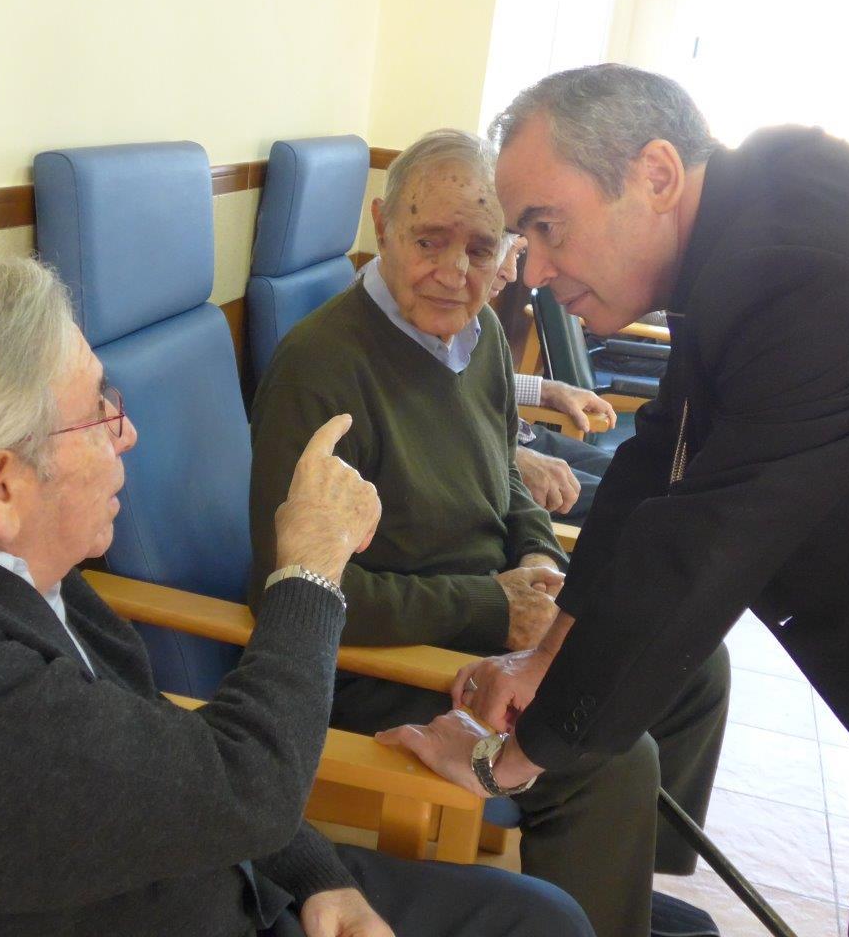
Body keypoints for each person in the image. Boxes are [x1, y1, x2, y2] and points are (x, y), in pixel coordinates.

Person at [0, 256, 594, 937]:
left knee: (541, 919)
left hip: (211, 863)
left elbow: (156, 739)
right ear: (0, 485)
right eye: (98, 409)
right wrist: (312, 568)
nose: (127, 431)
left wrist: (321, 878)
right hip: (184, 874)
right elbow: (242, 787)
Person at [377, 64, 849, 936]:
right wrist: (544, 663)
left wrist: (509, 761)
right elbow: (661, 463)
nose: (529, 269)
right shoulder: (753, 223)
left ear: (653, 174)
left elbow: (701, 555)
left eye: (546, 225)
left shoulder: (800, 272)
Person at [249, 130, 729, 937]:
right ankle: (600, 893)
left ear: (508, 250)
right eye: (427, 240)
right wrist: (491, 612)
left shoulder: (479, 340)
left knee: (694, 665)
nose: (453, 271)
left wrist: (540, 555)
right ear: (381, 224)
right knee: (611, 757)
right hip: (380, 662)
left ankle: (620, 885)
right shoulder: (320, 366)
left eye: (480, 247)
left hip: (485, 625)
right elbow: (293, 589)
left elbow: (503, 476)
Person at [491, 233, 616, 521]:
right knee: (626, 506)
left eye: (517, 252)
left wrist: (546, 389)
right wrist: (507, 458)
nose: (512, 273)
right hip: (489, 458)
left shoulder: (476, 317)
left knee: (631, 475)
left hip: (513, 434)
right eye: (495, 249)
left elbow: (480, 381)